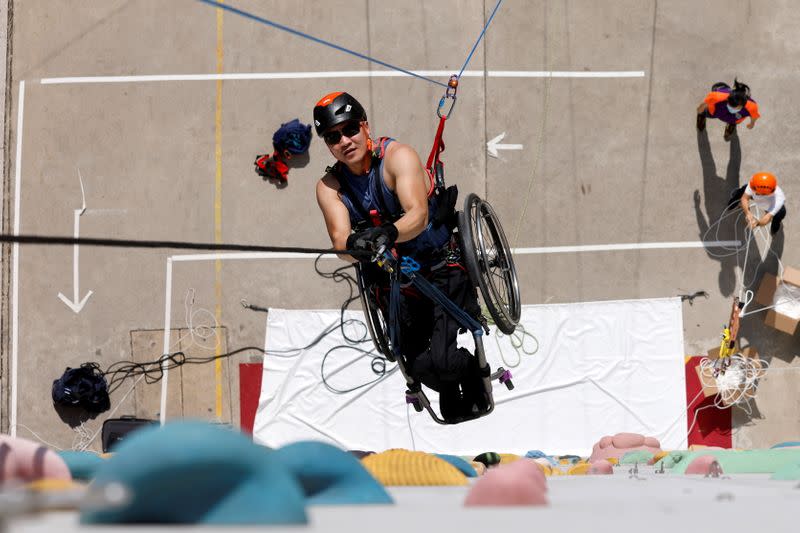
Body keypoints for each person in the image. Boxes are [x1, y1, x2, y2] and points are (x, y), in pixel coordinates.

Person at [313, 91, 488, 421]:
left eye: (350, 129)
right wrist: (358, 246)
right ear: (328, 145)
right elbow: (340, 244)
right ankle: (449, 387)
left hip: (440, 266)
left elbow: (418, 215)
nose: (344, 140)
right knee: (418, 365)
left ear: (365, 127)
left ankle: (469, 376)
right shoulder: (329, 187)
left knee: (444, 361)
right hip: (395, 282)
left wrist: (389, 233)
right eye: (333, 137)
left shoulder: (398, 158)